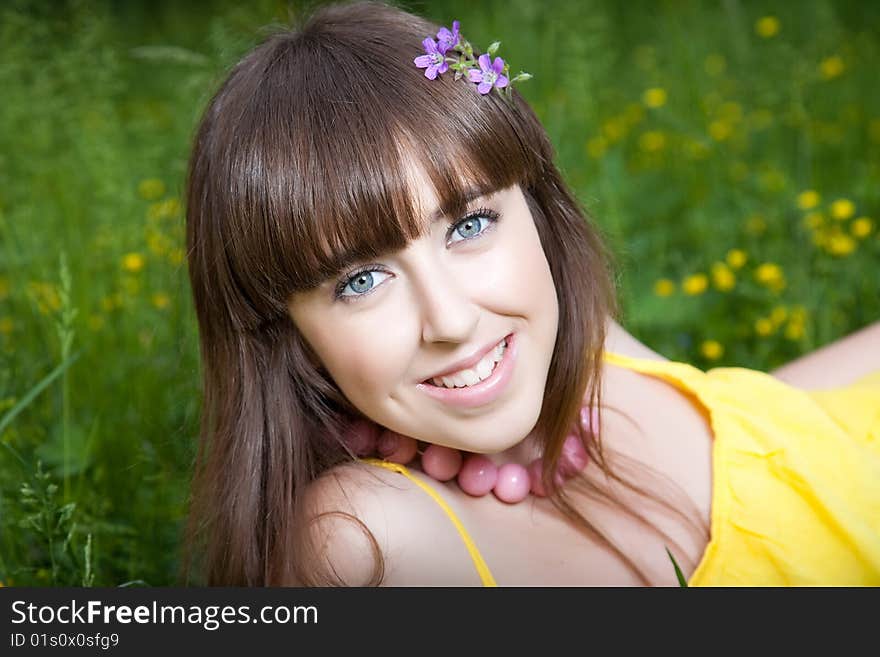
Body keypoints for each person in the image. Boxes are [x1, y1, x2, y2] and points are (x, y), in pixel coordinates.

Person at [182, 0, 880, 586]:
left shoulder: (582, 336)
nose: (451, 319)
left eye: (469, 224)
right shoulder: (366, 530)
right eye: (361, 281)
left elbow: (770, 423)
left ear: (537, 210)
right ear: (285, 333)